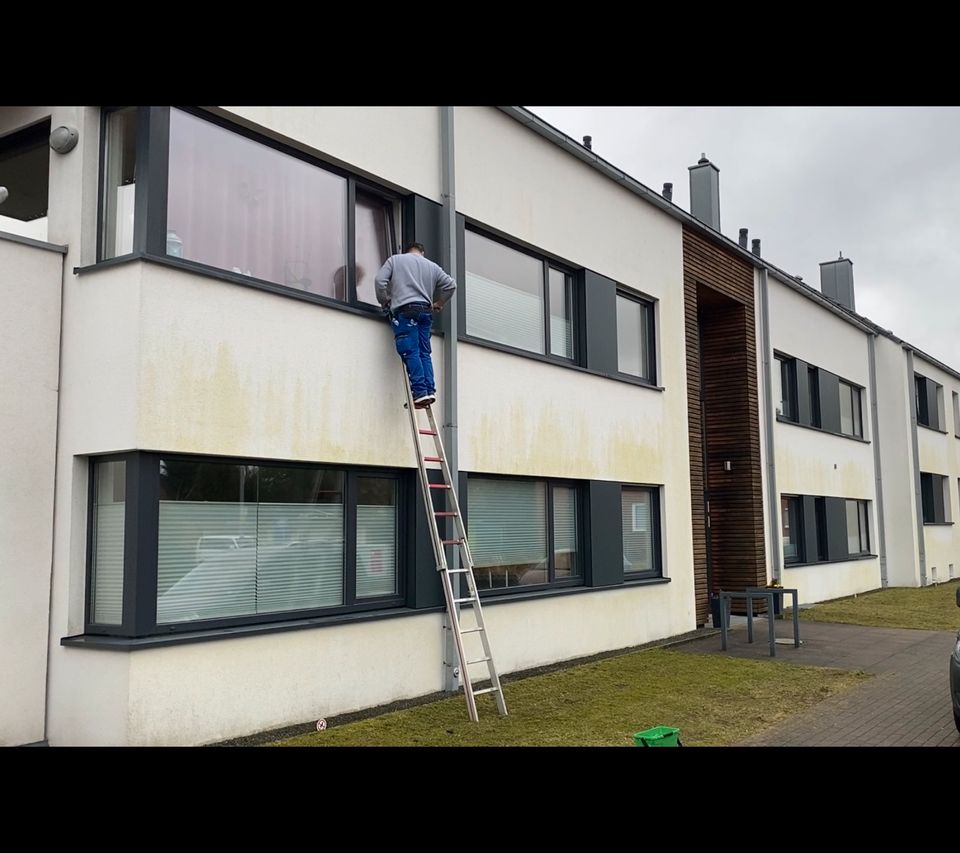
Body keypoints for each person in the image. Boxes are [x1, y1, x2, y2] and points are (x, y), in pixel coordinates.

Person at [375, 241, 456, 407]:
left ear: (407, 252)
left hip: (406, 311)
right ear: (422, 253)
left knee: (410, 351)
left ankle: (419, 393)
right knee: (424, 353)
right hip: (425, 312)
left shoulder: (395, 260)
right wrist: (440, 303)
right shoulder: (432, 266)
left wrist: (384, 301)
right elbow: (451, 285)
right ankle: (428, 390)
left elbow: (379, 281)